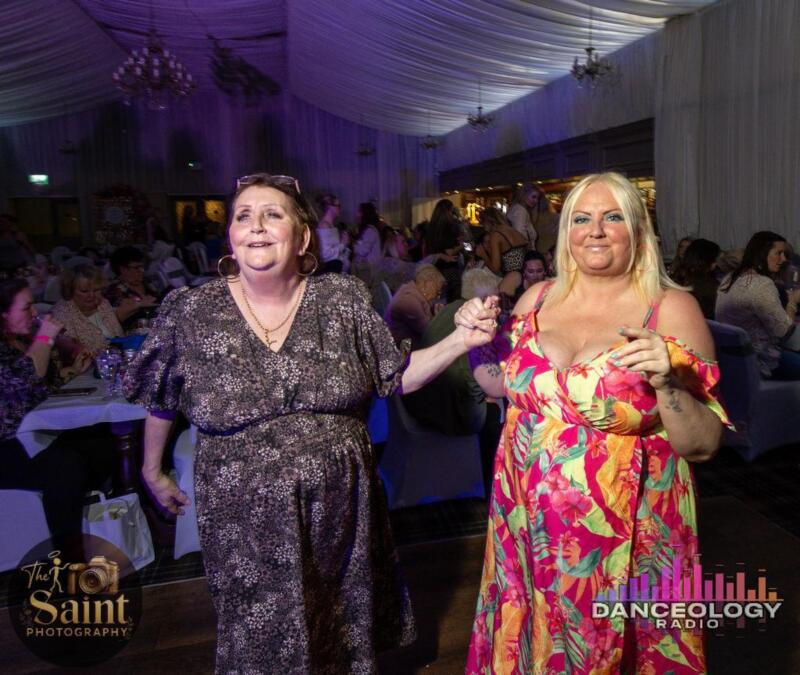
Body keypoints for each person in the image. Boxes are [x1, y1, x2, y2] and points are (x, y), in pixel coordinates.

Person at [123, 173, 499, 673]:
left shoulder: (341, 300)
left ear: (302, 237)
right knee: (259, 636)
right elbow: (161, 396)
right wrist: (152, 469)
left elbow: (394, 375)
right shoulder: (190, 311)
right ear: (230, 235)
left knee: (339, 624)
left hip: (342, 509)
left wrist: (459, 341)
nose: (256, 226)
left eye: (272, 214)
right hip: (243, 517)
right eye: (243, 216)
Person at [459, 171, 729, 674]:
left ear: (638, 229)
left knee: (611, 651)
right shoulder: (537, 299)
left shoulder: (670, 308)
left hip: (627, 535)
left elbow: (703, 444)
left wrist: (667, 382)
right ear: (566, 232)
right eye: (582, 218)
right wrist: (473, 341)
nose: (596, 230)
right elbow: (506, 388)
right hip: (526, 527)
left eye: (613, 217)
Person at [0, 278, 109, 560]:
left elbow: (36, 392)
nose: (34, 313)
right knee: (65, 466)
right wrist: (45, 337)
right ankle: (68, 560)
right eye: (26, 308)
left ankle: (113, 525)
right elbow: (25, 380)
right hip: (7, 446)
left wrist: (71, 372)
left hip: (32, 435)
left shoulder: (17, 342)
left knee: (101, 442)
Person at [402, 267, 504, 497]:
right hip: (443, 412)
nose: (498, 307)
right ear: (484, 300)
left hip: (421, 402)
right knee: (496, 414)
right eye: (496, 300)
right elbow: (479, 382)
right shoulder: (478, 324)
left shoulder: (449, 309)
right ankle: (492, 488)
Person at [716, 231, 800, 379]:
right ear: (762, 254)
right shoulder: (762, 284)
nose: (784, 259)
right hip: (759, 360)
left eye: (785, 254)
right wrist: (793, 301)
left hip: (732, 358)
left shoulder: (729, 278)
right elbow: (785, 333)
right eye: (778, 253)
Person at [52, 265, 123, 354]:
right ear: (70, 290)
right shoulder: (62, 314)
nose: (91, 295)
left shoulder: (103, 303)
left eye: (96, 290)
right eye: (84, 291)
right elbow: (75, 354)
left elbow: (120, 337)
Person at [383, 264, 446, 348]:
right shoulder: (408, 301)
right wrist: (440, 317)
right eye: (438, 292)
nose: (437, 297)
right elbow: (430, 333)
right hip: (400, 350)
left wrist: (435, 313)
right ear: (426, 284)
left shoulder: (413, 293)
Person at [104, 246, 160, 330]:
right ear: (123, 269)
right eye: (137, 268)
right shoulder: (114, 291)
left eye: (142, 267)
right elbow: (114, 319)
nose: (142, 270)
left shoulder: (147, 282)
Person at [671, 238, 721, 319]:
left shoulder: (676, 277)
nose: (716, 264)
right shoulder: (710, 286)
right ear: (708, 262)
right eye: (715, 260)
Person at [425, 199, 465, 302]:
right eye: (451, 211)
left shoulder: (432, 227)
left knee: (439, 299)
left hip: (435, 266)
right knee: (453, 300)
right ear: (447, 211)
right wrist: (461, 245)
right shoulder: (447, 227)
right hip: (449, 268)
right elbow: (449, 252)